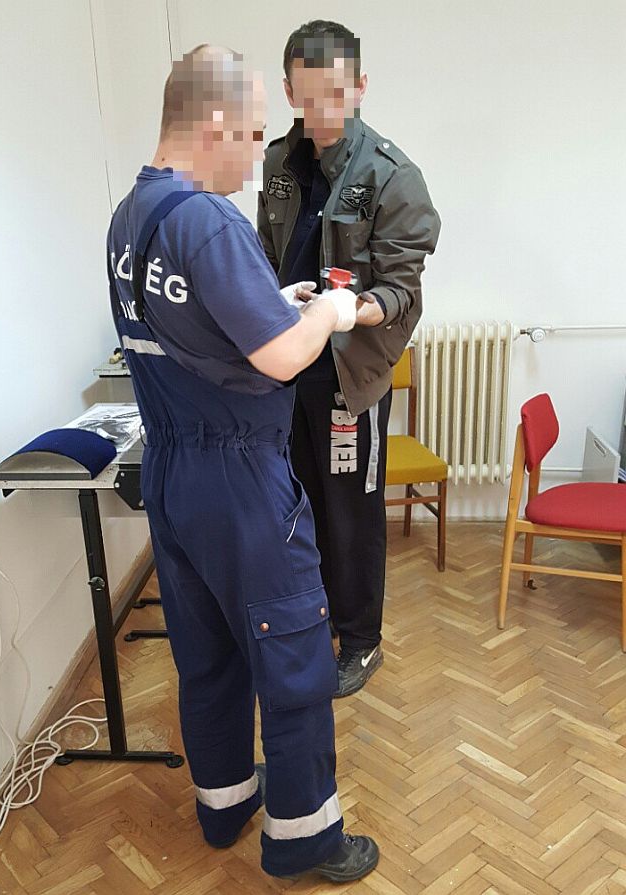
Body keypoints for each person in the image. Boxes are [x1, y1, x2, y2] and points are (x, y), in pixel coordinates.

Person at [106, 44, 379, 882]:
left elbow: (199, 327)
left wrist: (273, 304)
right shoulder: (208, 219)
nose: (259, 153)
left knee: (209, 654)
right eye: (255, 133)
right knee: (293, 660)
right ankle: (306, 841)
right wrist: (330, 311)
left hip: (173, 477)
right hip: (241, 483)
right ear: (214, 122)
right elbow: (282, 359)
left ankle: (224, 803)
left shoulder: (132, 216)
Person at [258, 21, 441, 697]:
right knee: (299, 505)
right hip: (285, 369)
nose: (323, 110)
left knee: (351, 515)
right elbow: (266, 252)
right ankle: (317, 621)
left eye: (336, 93)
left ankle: (361, 642)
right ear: (289, 92)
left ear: (360, 85)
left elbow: (401, 291)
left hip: (346, 380)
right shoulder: (281, 163)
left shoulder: (392, 176)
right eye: (308, 96)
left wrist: (346, 310)